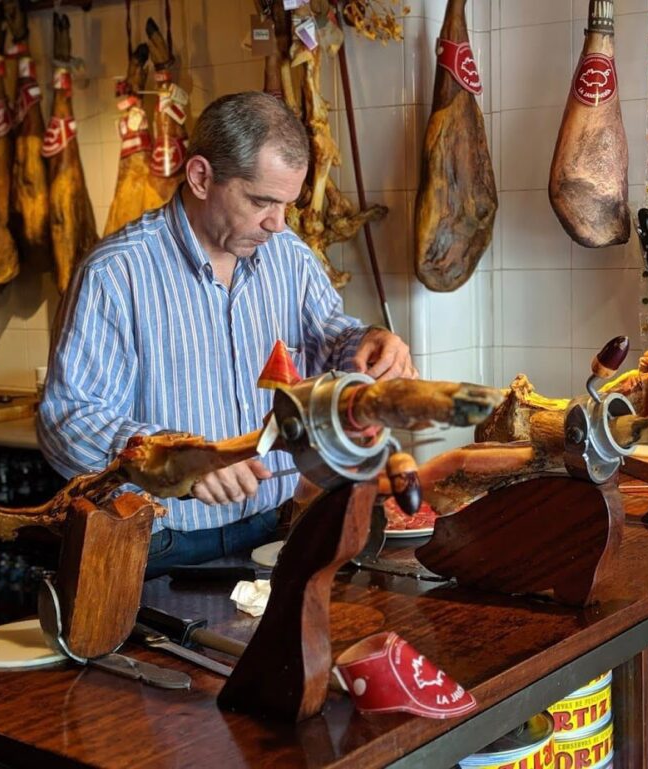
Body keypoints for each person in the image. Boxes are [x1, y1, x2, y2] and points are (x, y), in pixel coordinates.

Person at [38, 92, 416, 577]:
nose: (277, 224)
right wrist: (179, 459)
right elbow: (67, 419)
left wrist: (369, 341)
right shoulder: (117, 274)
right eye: (261, 201)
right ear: (201, 177)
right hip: (156, 545)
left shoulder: (289, 256)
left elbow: (329, 339)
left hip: (272, 529)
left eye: (286, 205)